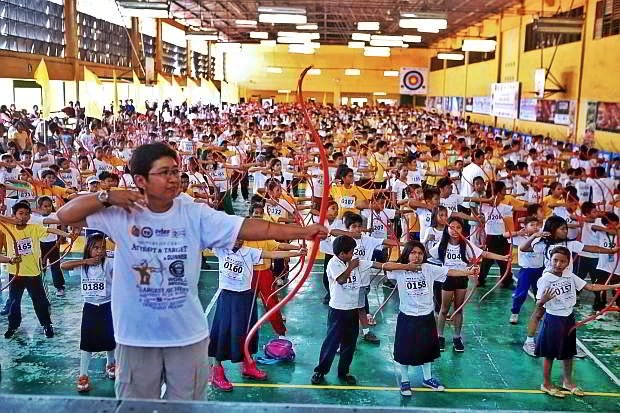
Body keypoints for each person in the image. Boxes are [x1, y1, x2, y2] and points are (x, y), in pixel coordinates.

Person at [55, 142, 327, 401]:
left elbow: (248, 227)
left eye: (175, 171)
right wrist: (106, 196)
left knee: (188, 406)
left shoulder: (194, 213)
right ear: (140, 180)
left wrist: (303, 232)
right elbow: (65, 215)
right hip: (136, 336)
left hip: (187, 336)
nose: (174, 178)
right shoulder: (122, 211)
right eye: (164, 172)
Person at [311, 235, 411, 386]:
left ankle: (344, 372)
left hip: (353, 309)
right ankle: (320, 371)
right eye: (351, 252)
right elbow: (341, 280)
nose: (354, 254)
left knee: (350, 342)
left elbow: (381, 265)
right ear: (342, 253)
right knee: (332, 342)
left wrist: (406, 267)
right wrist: (351, 267)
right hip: (338, 310)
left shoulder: (356, 262)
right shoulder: (333, 263)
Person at [209, 239, 305, 392]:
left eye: (241, 238)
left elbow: (273, 254)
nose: (239, 241)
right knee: (222, 333)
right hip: (227, 298)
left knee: (248, 333)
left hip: (246, 297)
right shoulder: (220, 248)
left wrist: (297, 253)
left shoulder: (249, 252)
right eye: (236, 237)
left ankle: (248, 365)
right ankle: (217, 371)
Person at [385, 241, 479, 396]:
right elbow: (386, 266)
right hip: (407, 315)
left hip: (426, 315)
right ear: (407, 254)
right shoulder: (399, 269)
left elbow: (449, 271)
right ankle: (405, 380)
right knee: (404, 350)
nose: (417, 256)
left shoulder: (428, 268)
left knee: (427, 348)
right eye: (413, 253)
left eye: (420, 253)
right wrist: (407, 266)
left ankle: (427, 378)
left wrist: (467, 272)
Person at [535, 246, 620, 398]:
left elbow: (591, 286)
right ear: (550, 260)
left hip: (568, 318)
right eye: (555, 260)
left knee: (568, 352)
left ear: (568, 262)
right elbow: (538, 303)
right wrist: (543, 300)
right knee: (549, 353)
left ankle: (567, 382)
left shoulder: (569, 275)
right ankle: (546, 384)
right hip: (553, 319)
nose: (558, 264)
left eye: (562, 261)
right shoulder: (545, 279)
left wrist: (614, 286)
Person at [429, 216, 510, 352]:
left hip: (462, 278)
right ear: (447, 229)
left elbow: (483, 253)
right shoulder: (441, 245)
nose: (455, 230)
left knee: (459, 309)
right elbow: (431, 258)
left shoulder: (465, 244)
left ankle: (457, 337)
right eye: (452, 227)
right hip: (447, 279)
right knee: (443, 309)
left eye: (458, 227)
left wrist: (503, 257)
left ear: (462, 229)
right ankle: (440, 336)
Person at [1, 201, 74, 339]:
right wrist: (11, 220)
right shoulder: (9, 227)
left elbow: (50, 230)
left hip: (33, 274)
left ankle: (47, 325)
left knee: (40, 301)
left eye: (27, 214)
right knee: (14, 302)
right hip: (15, 273)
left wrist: (67, 235)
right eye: (20, 213)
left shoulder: (34, 228)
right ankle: (13, 326)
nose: (24, 216)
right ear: (13, 215)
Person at [60, 233, 115, 393]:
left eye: (102, 248)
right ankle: (83, 374)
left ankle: (111, 364)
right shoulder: (83, 265)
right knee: (87, 341)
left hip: (108, 305)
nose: (99, 251)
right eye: (96, 248)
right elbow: (63, 265)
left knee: (110, 338)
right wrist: (86, 261)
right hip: (90, 307)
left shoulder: (109, 263)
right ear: (88, 249)